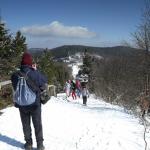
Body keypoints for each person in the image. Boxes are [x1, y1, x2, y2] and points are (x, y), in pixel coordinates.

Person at [11, 52, 47, 150]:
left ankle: (28, 144)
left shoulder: (15, 75)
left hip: (22, 104)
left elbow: (15, 87)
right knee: (37, 124)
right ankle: (39, 145)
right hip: (35, 103)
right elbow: (44, 80)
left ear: (22, 63)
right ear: (30, 63)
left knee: (25, 125)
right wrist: (36, 70)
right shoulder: (34, 73)